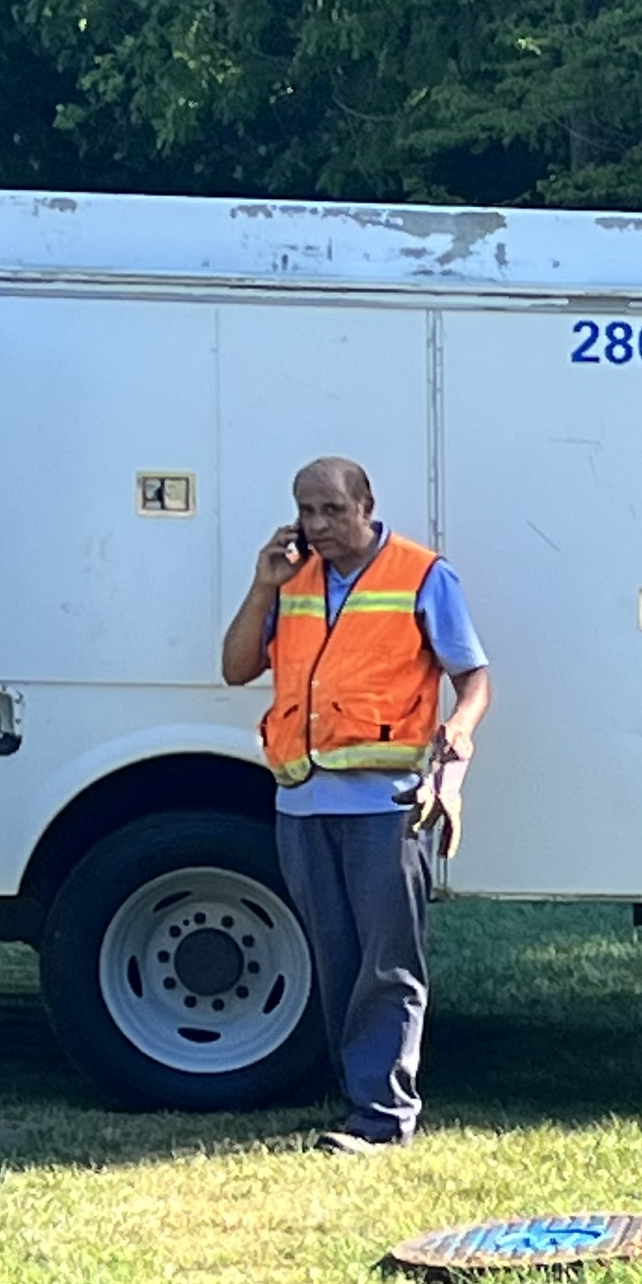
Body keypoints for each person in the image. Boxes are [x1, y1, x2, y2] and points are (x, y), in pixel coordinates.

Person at [215, 455, 491, 1151]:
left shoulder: (423, 574)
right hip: (302, 804)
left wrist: (459, 729)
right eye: (306, 510)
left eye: (332, 510)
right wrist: (260, 586)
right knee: (335, 960)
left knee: (387, 963)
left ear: (366, 504)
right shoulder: (291, 579)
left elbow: (474, 676)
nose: (318, 524)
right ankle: (358, 1100)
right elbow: (236, 667)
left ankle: (382, 1117)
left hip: (389, 803)